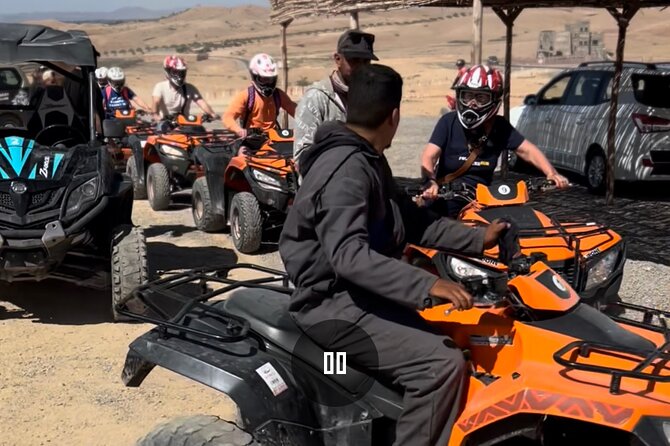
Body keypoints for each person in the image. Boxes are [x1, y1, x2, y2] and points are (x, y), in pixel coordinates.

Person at [279, 64, 511, 446]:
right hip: (333, 305)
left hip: (359, 293)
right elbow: (348, 256)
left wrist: (478, 240)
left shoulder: (366, 158)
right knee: (441, 365)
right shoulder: (346, 169)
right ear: (394, 115)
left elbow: (413, 220)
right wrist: (429, 283)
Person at [421, 64, 569, 217]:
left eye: (481, 98)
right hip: (448, 197)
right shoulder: (448, 122)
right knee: (436, 230)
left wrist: (551, 174)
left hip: (484, 199)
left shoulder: (500, 127)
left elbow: (528, 150)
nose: (472, 103)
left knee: (510, 226)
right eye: (467, 95)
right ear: (459, 96)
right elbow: (429, 156)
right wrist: (430, 181)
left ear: (494, 99)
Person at [293, 29, 378, 172]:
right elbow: (302, 157)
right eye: (355, 60)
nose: (362, 67)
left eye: (366, 61)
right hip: (325, 187)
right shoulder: (315, 98)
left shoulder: (368, 97)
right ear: (338, 59)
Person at [223, 53, 296, 138]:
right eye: (264, 79)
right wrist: (238, 130)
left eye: (271, 79)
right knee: (243, 151)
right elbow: (227, 117)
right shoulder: (246, 96)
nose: (268, 83)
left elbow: (297, 112)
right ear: (255, 76)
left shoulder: (278, 95)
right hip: (251, 139)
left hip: (274, 138)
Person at [152, 55, 219, 121]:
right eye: (176, 72)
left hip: (185, 122)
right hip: (165, 123)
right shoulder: (160, 86)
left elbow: (201, 102)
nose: (179, 75)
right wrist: (156, 115)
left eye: (182, 73)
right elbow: (156, 102)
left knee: (202, 130)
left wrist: (213, 114)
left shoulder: (190, 88)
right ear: (168, 71)